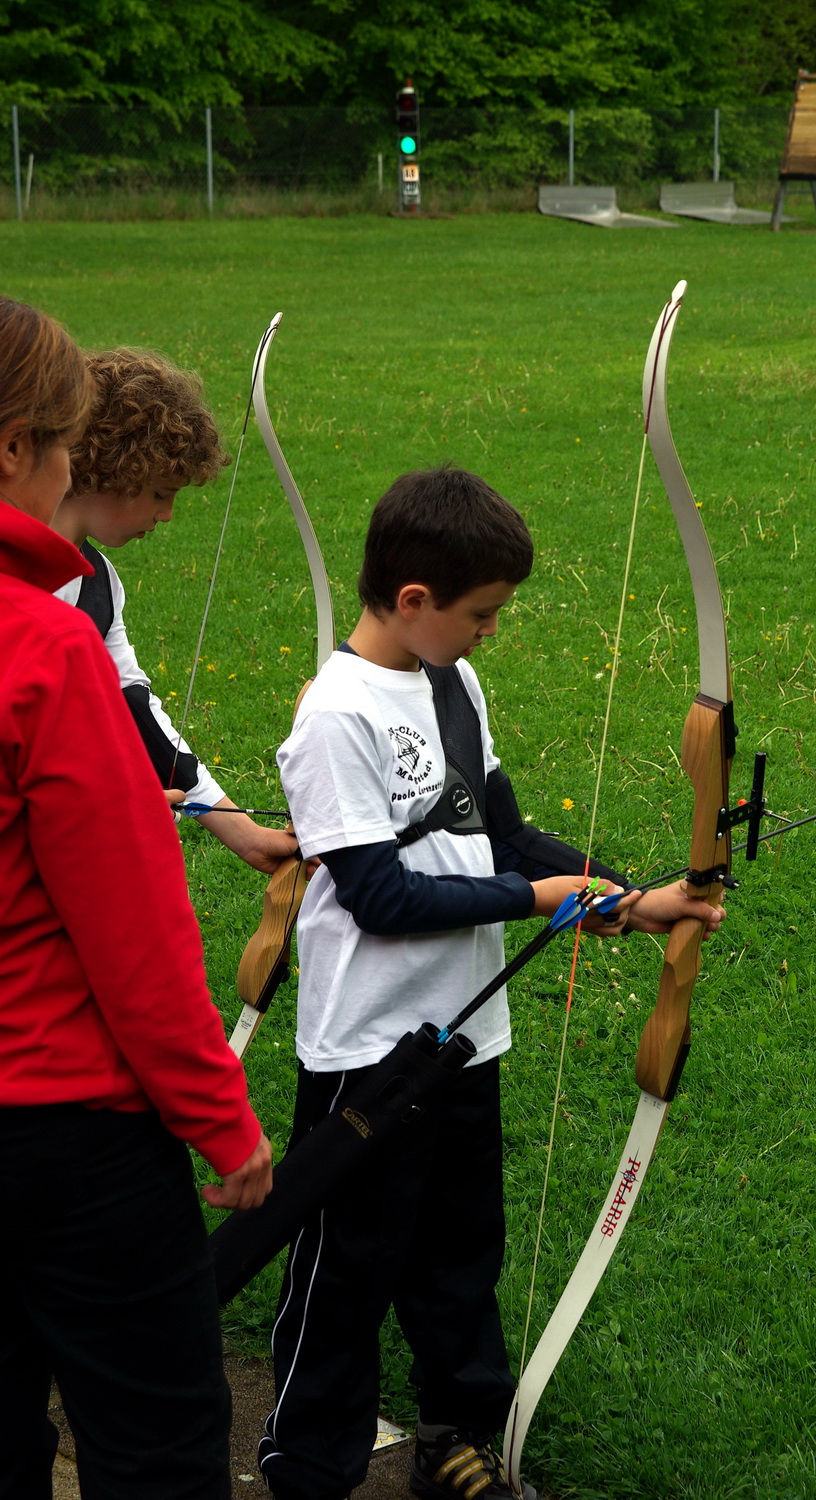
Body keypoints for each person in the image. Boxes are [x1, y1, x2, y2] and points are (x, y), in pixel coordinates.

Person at [259, 466, 724, 1500]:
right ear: (413, 599)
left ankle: (454, 1436)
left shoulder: (450, 682)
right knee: (346, 1267)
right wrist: (534, 898)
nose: (489, 632)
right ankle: (308, 1462)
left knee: (460, 1248)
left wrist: (626, 897)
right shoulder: (336, 716)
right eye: (480, 614)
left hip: (465, 1035)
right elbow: (378, 895)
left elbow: (502, 835)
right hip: (368, 1048)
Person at [0, 293, 273, 1499]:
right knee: (156, 1448)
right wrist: (222, 1119)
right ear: (20, 448)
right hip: (62, 1132)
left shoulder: (76, 613)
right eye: (63, 444)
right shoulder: (40, 646)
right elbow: (134, 936)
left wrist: (223, 816)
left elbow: (137, 710)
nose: (75, 470)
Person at [50, 346, 296, 876]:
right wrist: (90, 808)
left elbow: (132, 708)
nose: (166, 515)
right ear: (113, 470)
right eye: (161, 493)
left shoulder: (98, 585)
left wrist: (245, 835)